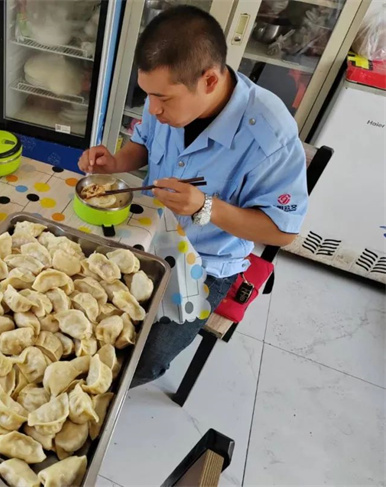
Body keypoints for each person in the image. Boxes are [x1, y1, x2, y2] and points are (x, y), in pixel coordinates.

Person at [78, 6, 308, 387]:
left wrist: (206, 207)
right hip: (147, 231)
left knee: (143, 357)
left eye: (163, 99)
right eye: (148, 95)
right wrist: (115, 162)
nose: (153, 108)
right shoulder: (163, 97)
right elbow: (143, 144)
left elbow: (283, 232)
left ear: (210, 80)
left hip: (208, 263)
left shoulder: (269, 135)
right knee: (82, 306)